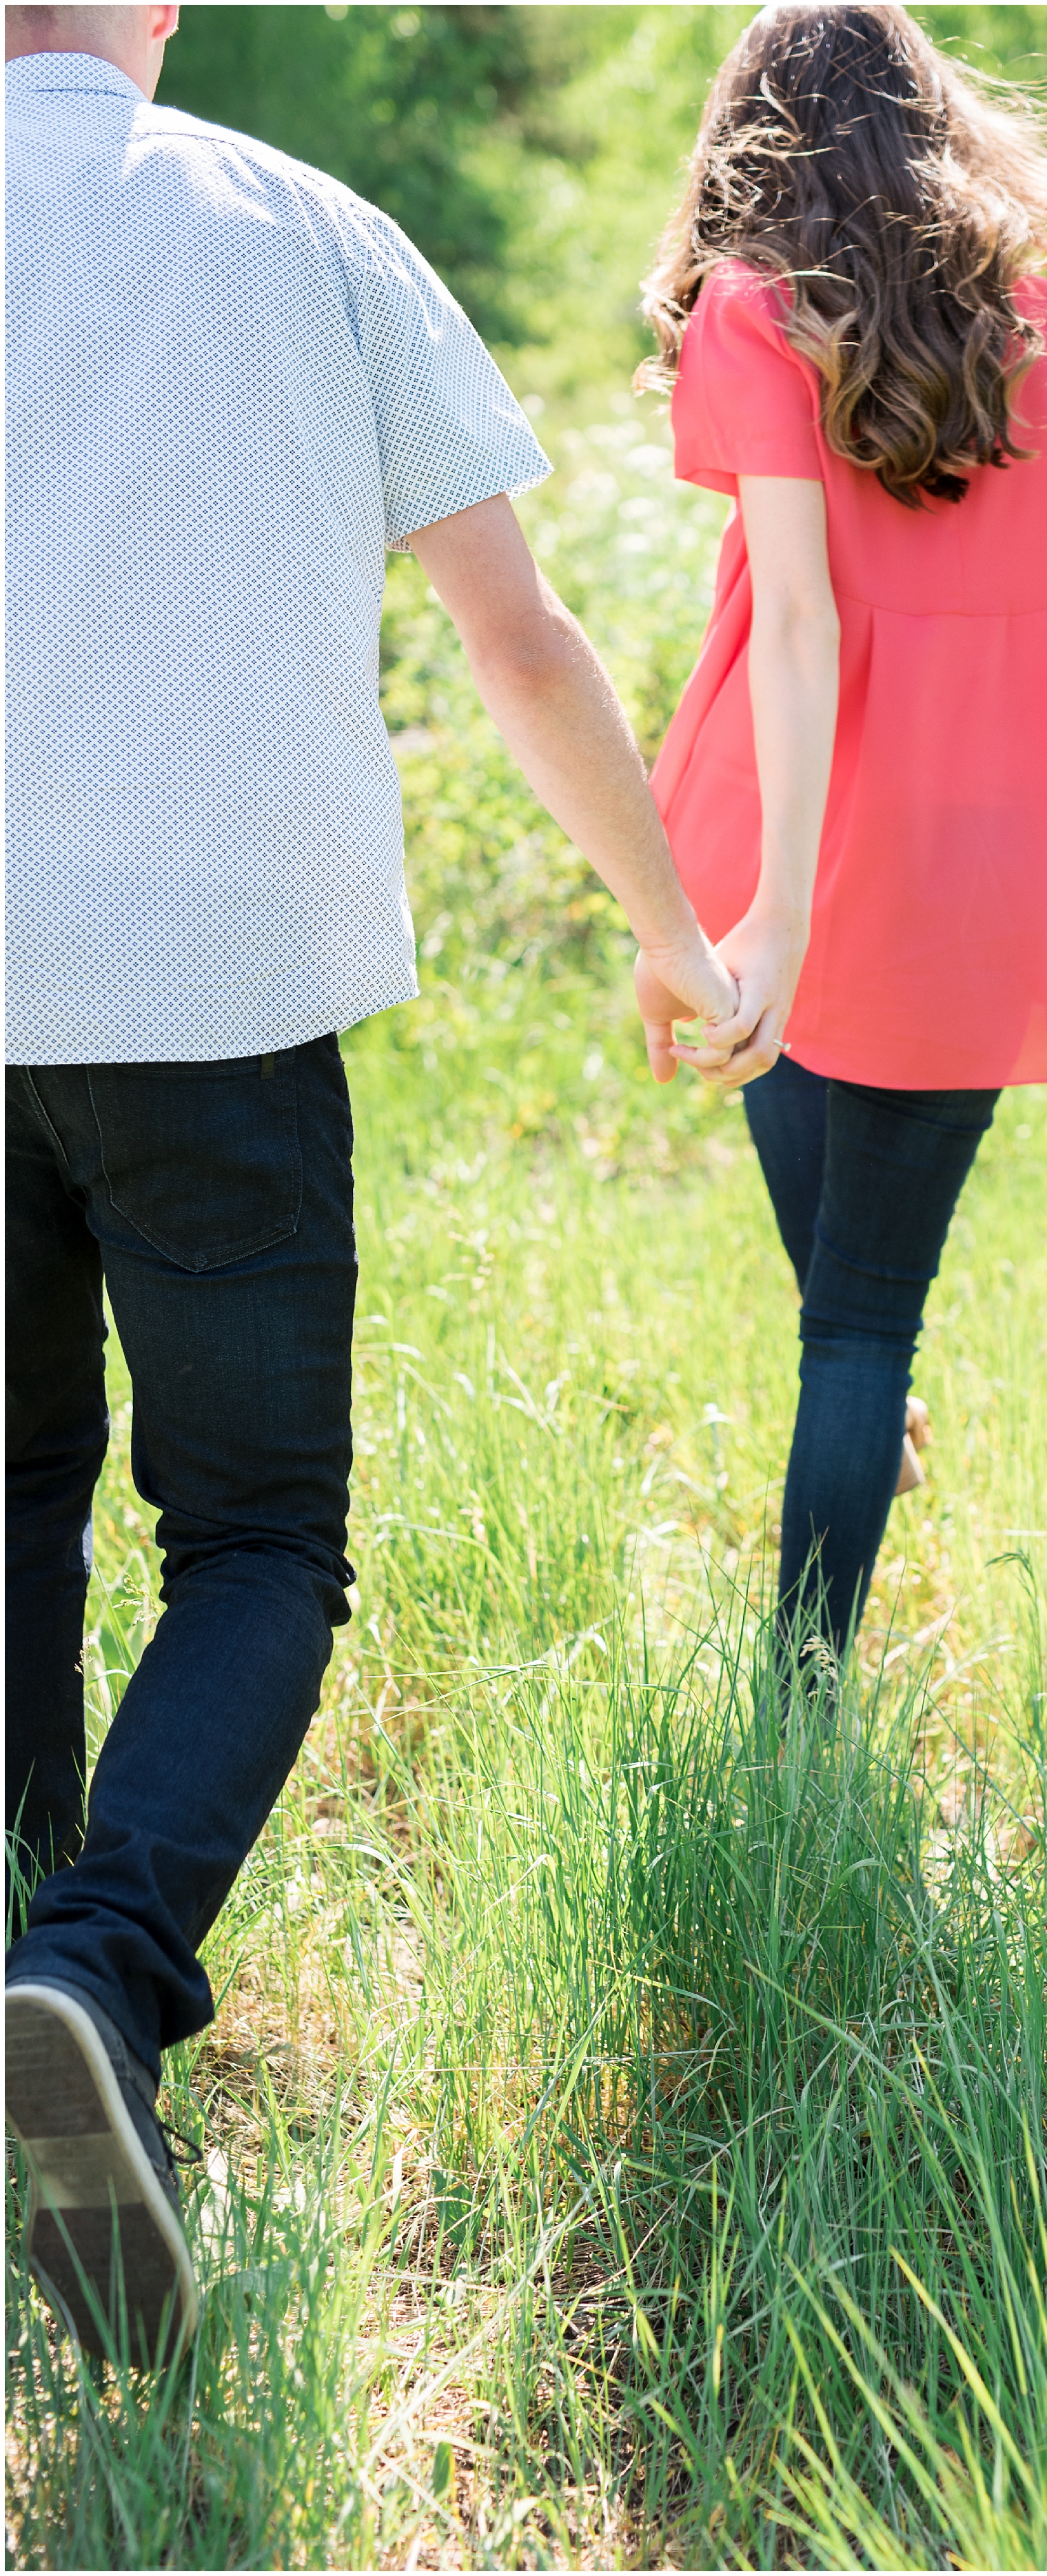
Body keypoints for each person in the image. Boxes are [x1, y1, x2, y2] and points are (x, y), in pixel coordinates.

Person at [3, 1, 738, 2367]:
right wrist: (672, 924)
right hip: (218, 985)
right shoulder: (306, 229)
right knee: (251, 1539)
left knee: (9, 1488)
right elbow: (514, 635)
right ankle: (89, 1971)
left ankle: (30, 1981)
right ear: (161, 5)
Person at [633, 1, 1047, 1672]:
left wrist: (765, 908)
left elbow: (797, 624)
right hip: (975, 851)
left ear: (753, 135)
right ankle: (805, 1694)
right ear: (937, 127)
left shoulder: (756, 316)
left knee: (843, 1317)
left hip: (766, 835)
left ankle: (796, 1686)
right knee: (858, 1320)